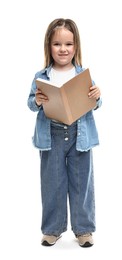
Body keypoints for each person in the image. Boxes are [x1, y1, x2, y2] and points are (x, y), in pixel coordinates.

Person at [27, 18, 102, 248]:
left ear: (75, 47)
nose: (63, 49)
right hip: (52, 135)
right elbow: (31, 103)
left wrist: (97, 96)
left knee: (82, 184)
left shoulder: (82, 74)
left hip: (80, 134)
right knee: (52, 183)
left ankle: (84, 229)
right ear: (49, 46)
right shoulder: (42, 76)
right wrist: (38, 101)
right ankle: (52, 229)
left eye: (68, 44)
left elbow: (96, 103)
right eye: (57, 44)